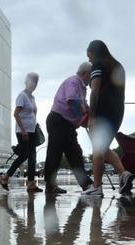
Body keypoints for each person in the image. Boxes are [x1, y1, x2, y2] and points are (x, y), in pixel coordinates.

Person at [85, 40, 132, 196]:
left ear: (93, 52)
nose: (89, 60)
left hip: (103, 112)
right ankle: (123, 174)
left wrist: (91, 116)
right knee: (103, 148)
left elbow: (94, 91)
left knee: (98, 148)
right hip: (118, 111)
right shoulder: (118, 66)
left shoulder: (98, 64)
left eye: (89, 56)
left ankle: (97, 187)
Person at [43, 63, 94, 195]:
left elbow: (84, 105)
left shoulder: (82, 88)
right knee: (55, 153)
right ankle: (50, 185)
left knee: (75, 153)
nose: (91, 79)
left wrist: (89, 113)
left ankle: (86, 184)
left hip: (68, 124)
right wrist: (83, 115)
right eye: (91, 75)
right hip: (58, 120)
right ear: (85, 73)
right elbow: (72, 100)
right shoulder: (74, 81)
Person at [0, 72, 42, 193]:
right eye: (32, 81)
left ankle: (30, 184)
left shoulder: (32, 98)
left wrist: (35, 123)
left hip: (32, 131)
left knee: (31, 157)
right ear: (27, 82)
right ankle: (6, 176)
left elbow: (32, 113)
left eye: (36, 82)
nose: (34, 84)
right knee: (25, 155)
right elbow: (16, 114)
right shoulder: (22, 96)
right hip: (23, 132)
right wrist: (23, 130)